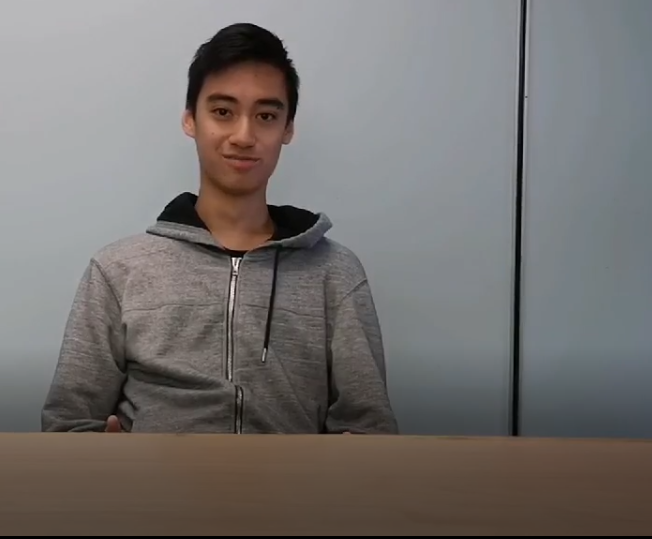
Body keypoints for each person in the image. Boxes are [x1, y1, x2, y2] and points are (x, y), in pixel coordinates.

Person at [41, 22, 398, 435]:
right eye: (223, 112)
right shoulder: (118, 270)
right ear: (190, 119)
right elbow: (66, 425)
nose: (243, 136)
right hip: (153, 479)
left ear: (287, 129)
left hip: (291, 480)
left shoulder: (335, 273)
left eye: (266, 116)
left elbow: (371, 432)